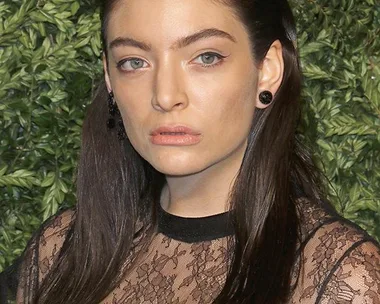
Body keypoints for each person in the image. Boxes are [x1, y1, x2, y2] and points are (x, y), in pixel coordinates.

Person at [15, 0, 380, 303]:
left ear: (267, 70)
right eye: (134, 62)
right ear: (110, 79)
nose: (165, 95)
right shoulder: (59, 250)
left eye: (205, 57)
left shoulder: (338, 275)